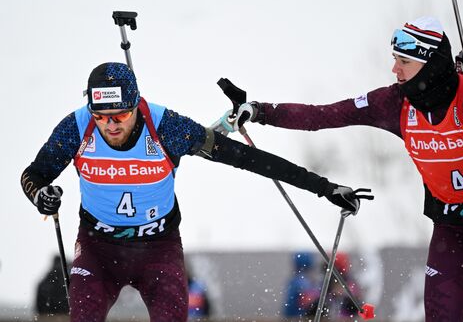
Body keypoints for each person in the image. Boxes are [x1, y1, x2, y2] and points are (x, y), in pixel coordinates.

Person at [218, 16, 463, 320]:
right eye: (395, 59)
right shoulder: (394, 103)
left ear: (428, 63)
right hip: (454, 229)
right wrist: (259, 111)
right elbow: (323, 115)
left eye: (403, 61)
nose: (394, 69)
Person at [20, 62, 372, 322]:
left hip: (157, 248)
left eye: (120, 115)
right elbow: (34, 175)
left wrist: (322, 187)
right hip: (98, 247)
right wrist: (40, 195)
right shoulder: (77, 126)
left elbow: (245, 158)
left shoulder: (166, 127)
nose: (110, 125)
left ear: (137, 105)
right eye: (102, 116)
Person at [283, 251, 318, 318]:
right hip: (300, 317)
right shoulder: (303, 282)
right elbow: (307, 301)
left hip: (291, 317)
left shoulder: (294, 280)